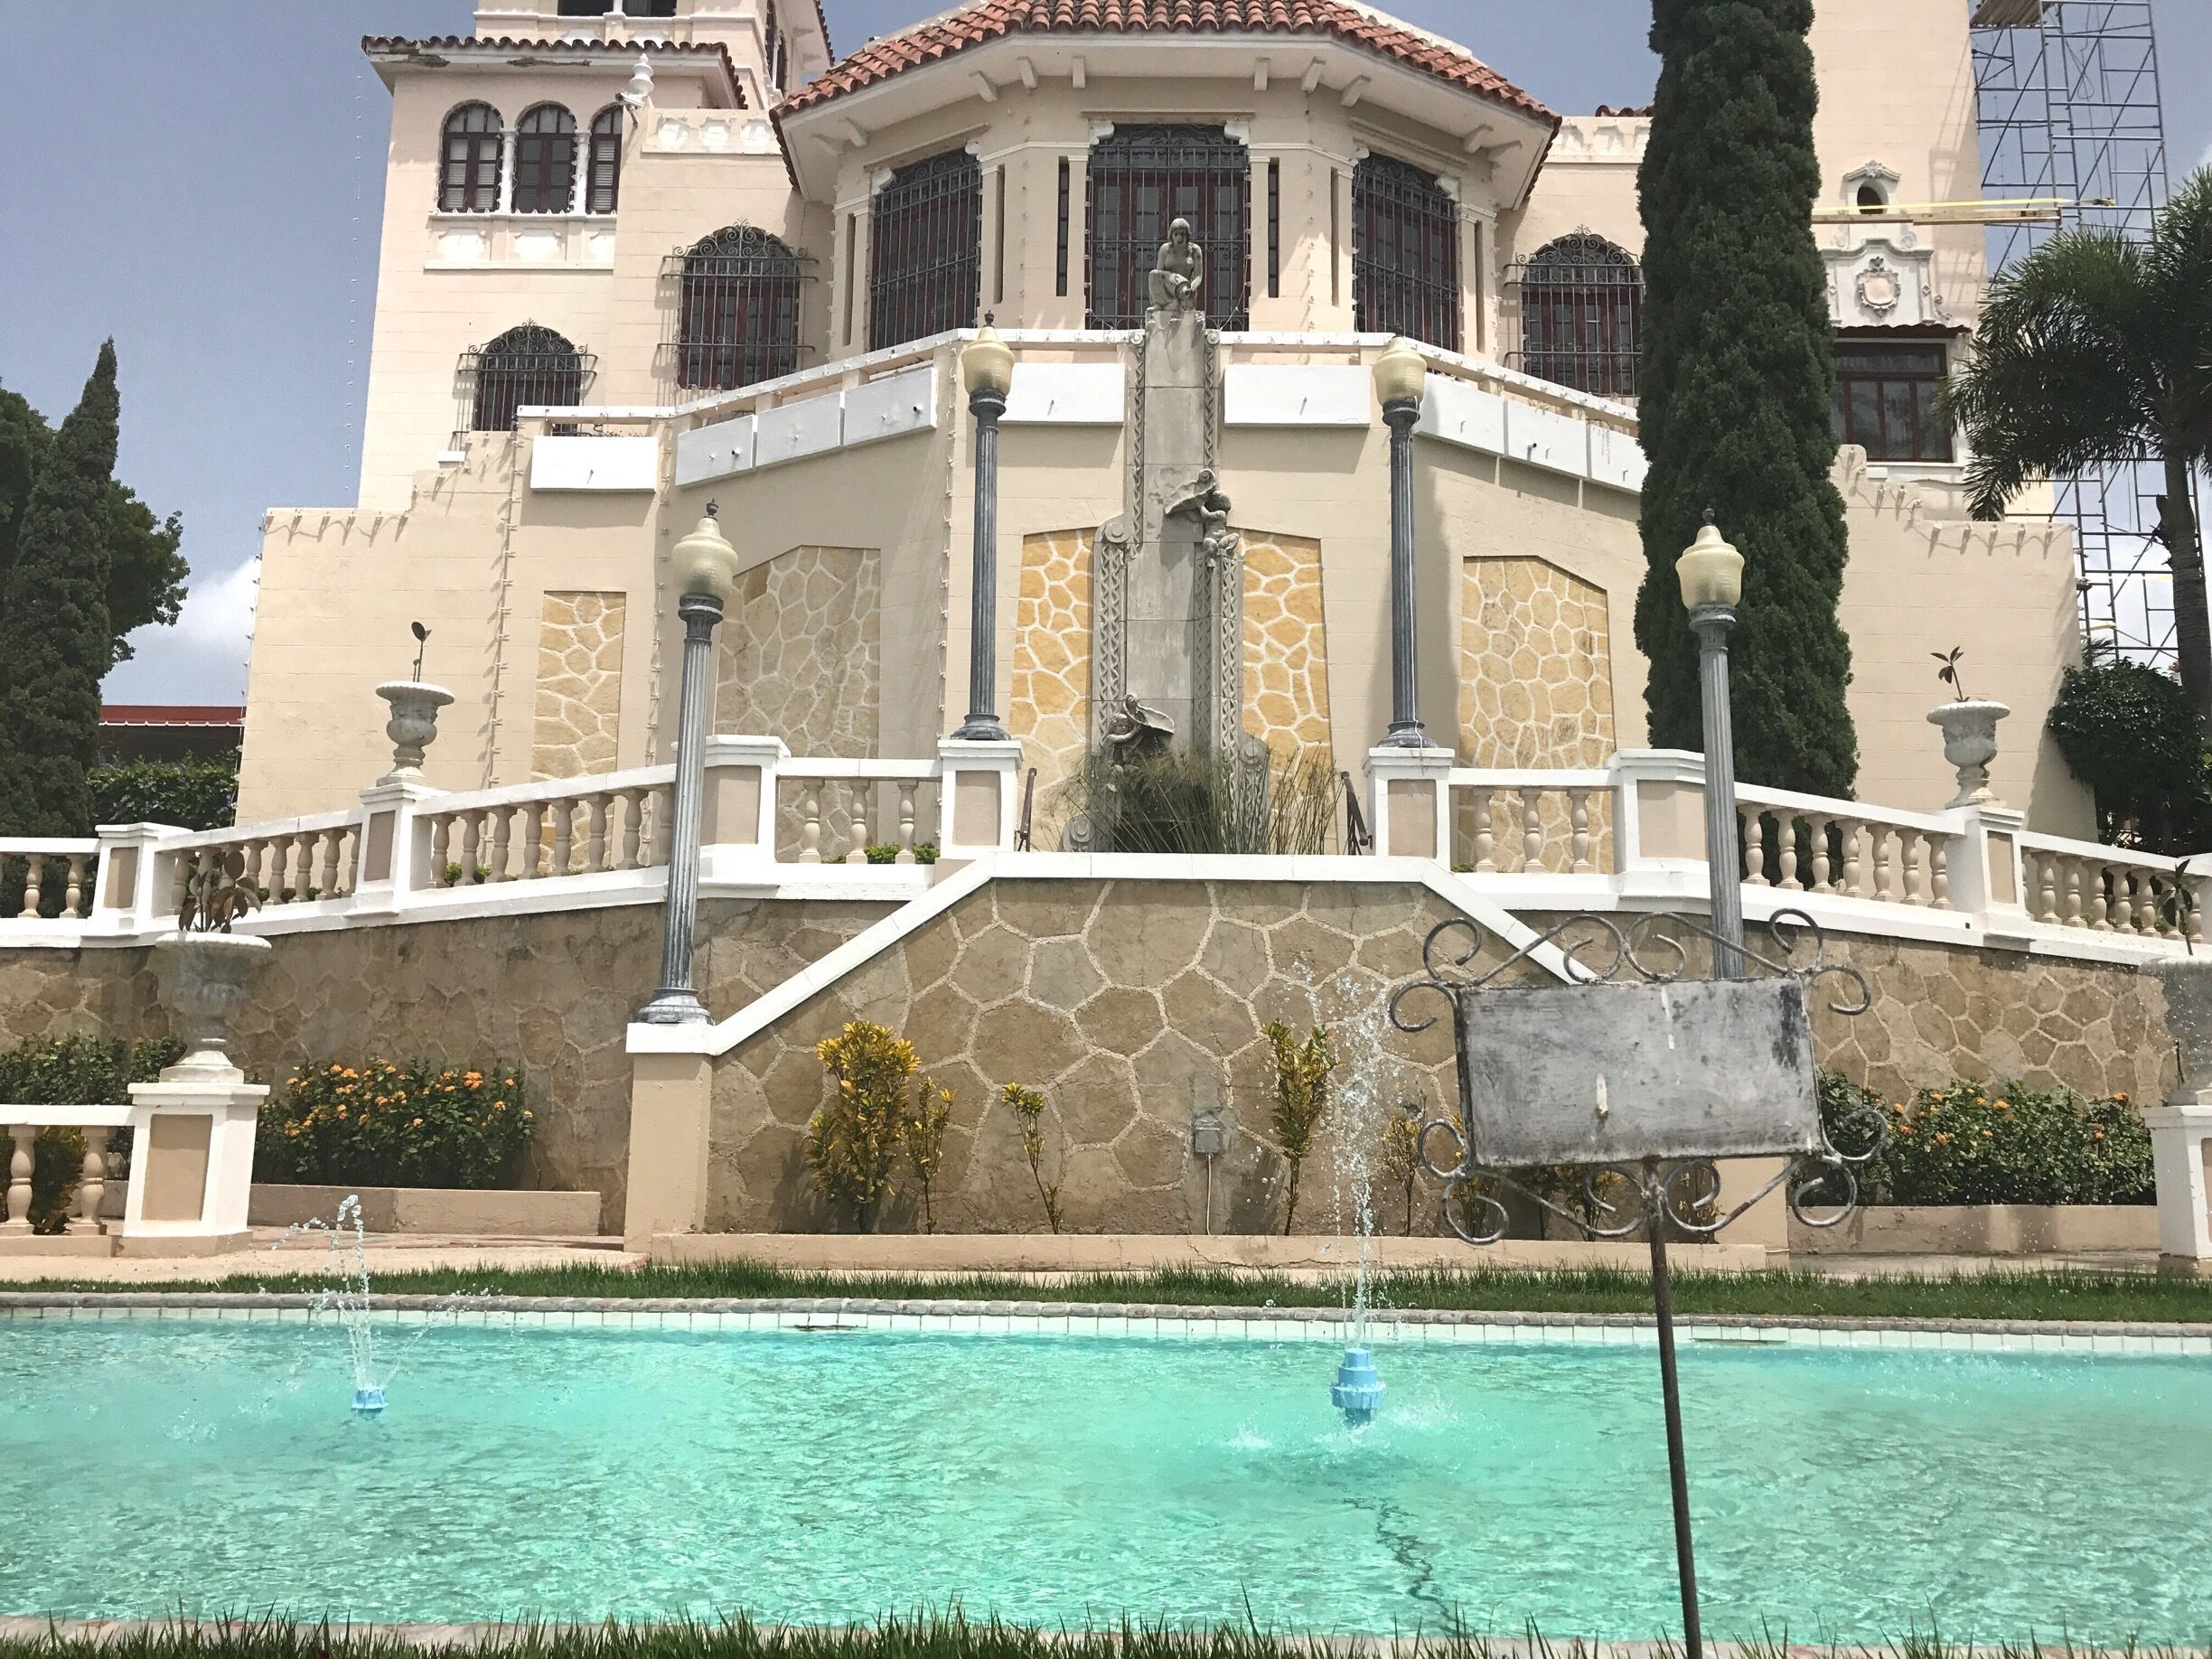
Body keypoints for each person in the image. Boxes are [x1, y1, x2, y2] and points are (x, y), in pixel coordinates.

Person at [1147, 218, 1204, 314]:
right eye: (1176, 234)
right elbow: (1158, 273)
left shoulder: (1195, 250)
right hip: (1168, 286)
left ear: (1187, 235)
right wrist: (1169, 275)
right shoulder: (1165, 249)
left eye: (1182, 234)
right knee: (1153, 274)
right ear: (1171, 235)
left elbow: (1198, 276)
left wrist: (1192, 288)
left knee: (1184, 295)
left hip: (1184, 288)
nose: (1179, 238)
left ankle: (1177, 303)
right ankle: (1159, 304)